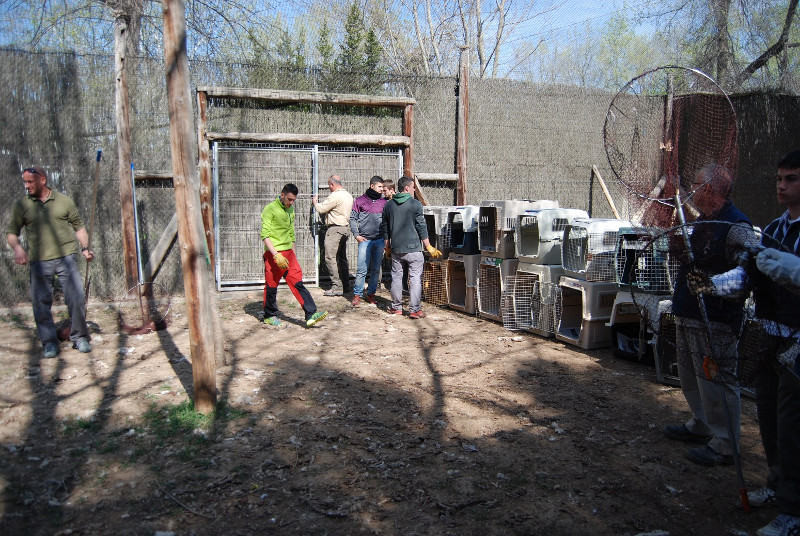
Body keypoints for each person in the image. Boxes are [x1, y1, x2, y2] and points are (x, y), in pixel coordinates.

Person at [662, 164, 751, 467]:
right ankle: (701, 424)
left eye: (697, 186)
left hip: (715, 320)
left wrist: (714, 286)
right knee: (691, 376)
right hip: (689, 314)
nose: (693, 191)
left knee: (716, 381)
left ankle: (726, 443)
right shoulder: (706, 219)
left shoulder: (736, 225)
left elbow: (748, 272)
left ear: (712, 190)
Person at [6, 166, 95, 358]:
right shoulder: (22, 205)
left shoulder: (63, 201)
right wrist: (18, 248)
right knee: (41, 302)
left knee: (76, 298)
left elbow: (79, 227)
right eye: (25, 182)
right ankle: (49, 342)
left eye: (30, 182)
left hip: (66, 257)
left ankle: (80, 337)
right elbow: (12, 233)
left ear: (43, 180)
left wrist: (85, 248)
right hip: (39, 261)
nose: (27, 186)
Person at [261, 183, 327, 328]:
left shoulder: (290, 210)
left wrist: (293, 254)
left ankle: (311, 314)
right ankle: (269, 315)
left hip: (289, 254)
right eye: (289, 199)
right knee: (271, 285)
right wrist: (276, 255)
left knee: (297, 282)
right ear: (282, 194)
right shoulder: (270, 209)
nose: (291, 203)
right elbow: (265, 235)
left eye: (293, 200)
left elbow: (291, 233)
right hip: (274, 254)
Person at [380, 175, 441, 318]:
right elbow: (421, 227)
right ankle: (414, 310)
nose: (414, 189)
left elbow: (385, 230)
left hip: (396, 249)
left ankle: (396, 307)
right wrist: (429, 246)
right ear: (407, 188)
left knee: (396, 277)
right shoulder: (415, 204)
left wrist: (387, 247)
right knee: (414, 279)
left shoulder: (388, 205)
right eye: (413, 187)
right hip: (414, 249)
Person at [312, 174, 354, 296]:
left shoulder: (335, 196)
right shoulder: (348, 195)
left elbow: (321, 209)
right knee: (342, 258)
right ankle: (346, 285)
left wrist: (315, 202)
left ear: (332, 184)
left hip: (335, 229)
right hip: (345, 228)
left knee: (330, 257)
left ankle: (336, 286)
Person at [350, 175, 386, 307]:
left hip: (379, 240)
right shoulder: (360, 201)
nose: (382, 189)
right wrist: (356, 235)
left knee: (376, 269)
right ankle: (357, 295)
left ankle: (371, 294)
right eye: (380, 186)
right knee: (361, 269)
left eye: (383, 187)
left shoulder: (384, 202)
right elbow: (352, 218)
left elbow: (387, 221)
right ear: (372, 186)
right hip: (364, 240)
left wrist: (386, 239)